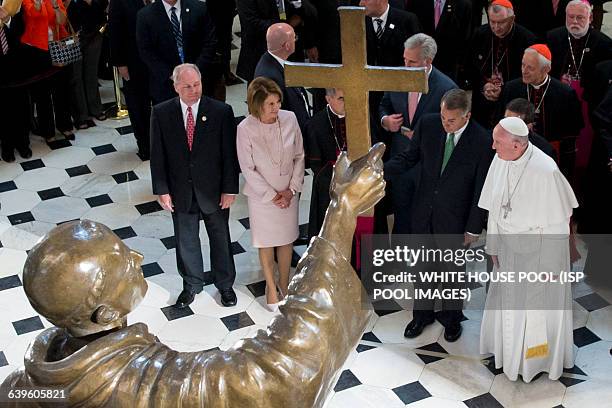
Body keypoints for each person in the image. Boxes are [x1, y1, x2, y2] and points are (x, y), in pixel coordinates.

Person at [0, 144, 385, 406]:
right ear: (105, 313)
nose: (136, 255)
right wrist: (343, 210)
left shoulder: (19, 390)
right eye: (121, 261)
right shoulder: (149, 389)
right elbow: (284, 371)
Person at [384, 89, 493, 342]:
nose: (445, 123)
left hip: (455, 220)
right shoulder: (429, 124)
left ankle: (452, 319)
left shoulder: (481, 141)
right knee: (422, 268)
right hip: (423, 211)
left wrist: (473, 228)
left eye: (451, 120)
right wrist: (380, 171)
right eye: (444, 117)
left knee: (452, 273)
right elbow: (409, 158)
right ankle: (421, 315)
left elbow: (480, 190)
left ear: (467, 116)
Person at [479, 116, 578, 382]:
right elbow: (495, 209)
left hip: (539, 256)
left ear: (517, 145)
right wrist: (493, 245)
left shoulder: (546, 170)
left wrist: (552, 266)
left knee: (535, 312)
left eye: (497, 142)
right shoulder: (501, 159)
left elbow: (560, 223)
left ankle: (536, 361)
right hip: (510, 253)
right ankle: (507, 355)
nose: (492, 147)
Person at [150, 63, 239, 308]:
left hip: (214, 190)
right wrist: (162, 190)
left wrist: (229, 189)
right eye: (187, 86)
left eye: (197, 85)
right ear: (176, 86)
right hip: (181, 191)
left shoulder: (221, 111)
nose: (193, 90)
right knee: (185, 239)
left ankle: (225, 285)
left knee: (220, 237)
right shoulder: (161, 112)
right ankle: (191, 284)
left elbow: (229, 155)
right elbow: (158, 155)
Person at [236, 77, 305, 310]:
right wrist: (272, 195)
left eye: (277, 102)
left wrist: (291, 190)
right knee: (265, 242)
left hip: (288, 192)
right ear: (258, 106)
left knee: (286, 240)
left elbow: (299, 155)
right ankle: (270, 286)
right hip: (262, 197)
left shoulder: (290, 118)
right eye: (270, 105)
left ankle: (284, 283)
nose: (276, 108)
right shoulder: (245, 129)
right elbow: (247, 167)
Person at [380, 33, 457, 234]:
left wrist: (427, 136)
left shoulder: (446, 88)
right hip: (400, 160)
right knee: (400, 217)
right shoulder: (396, 77)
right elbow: (384, 105)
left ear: (428, 61)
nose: (406, 65)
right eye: (404, 59)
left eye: (412, 62)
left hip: (427, 165)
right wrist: (385, 121)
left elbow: (454, 127)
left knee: (424, 219)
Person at [497, 44, 583, 178]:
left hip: (548, 156)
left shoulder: (565, 94)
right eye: (523, 65)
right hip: (514, 154)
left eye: (530, 68)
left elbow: (572, 132)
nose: (524, 71)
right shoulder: (511, 88)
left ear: (546, 69)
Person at [546, 0, 612, 175]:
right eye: (571, 17)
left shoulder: (604, 43)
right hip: (558, 97)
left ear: (590, 18)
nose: (575, 22)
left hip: (589, 100)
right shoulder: (553, 37)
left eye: (580, 18)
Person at [467, 0, 536, 128]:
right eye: (492, 22)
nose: (496, 27)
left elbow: (528, 75)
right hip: (482, 100)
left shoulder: (527, 39)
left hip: (512, 102)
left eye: (501, 22)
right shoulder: (480, 34)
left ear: (512, 19)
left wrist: (503, 90)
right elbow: (471, 67)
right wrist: (484, 85)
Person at [136, 0, 218, 104]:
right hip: (166, 86)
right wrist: (172, 75)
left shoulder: (199, 8)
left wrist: (195, 71)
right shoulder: (145, 15)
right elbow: (146, 51)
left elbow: (210, 42)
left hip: (199, 83)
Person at [20, 0, 76, 141]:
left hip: (56, 47)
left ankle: (65, 125)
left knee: (62, 89)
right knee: (41, 93)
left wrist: (55, 6)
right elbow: (32, 15)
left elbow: (62, 21)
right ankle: (47, 131)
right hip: (36, 49)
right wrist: (38, 4)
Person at [108, 0, 152, 160]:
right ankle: (145, 144)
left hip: (158, 59)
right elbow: (115, 32)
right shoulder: (119, 3)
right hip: (133, 61)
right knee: (138, 105)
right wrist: (120, 63)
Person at [254, 23, 311, 138]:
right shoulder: (270, 76)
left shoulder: (274, 61)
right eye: (294, 38)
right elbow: (275, 116)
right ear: (287, 46)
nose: (296, 40)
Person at [307, 88, 346, 240]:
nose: (347, 103)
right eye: (341, 98)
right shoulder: (317, 123)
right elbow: (315, 164)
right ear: (328, 99)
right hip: (329, 186)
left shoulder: (360, 115)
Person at [405, 0, 473, 83]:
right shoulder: (416, 2)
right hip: (420, 65)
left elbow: (465, 38)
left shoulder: (463, 4)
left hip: (449, 67)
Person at [66, 0, 108, 129]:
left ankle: (95, 108)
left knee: (91, 73)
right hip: (73, 35)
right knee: (76, 76)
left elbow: (103, 6)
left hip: (95, 32)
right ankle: (80, 115)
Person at [0, 5, 31, 162]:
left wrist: (7, 20)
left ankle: (23, 144)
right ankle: (7, 148)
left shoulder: (11, 3)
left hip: (16, 64)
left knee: (21, 106)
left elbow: (21, 30)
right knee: (3, 110)